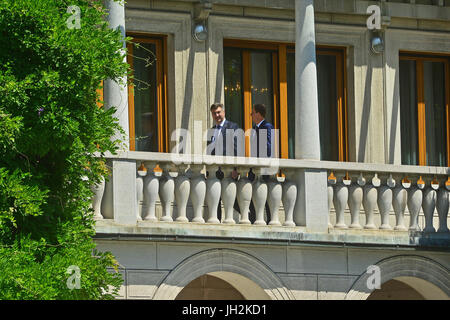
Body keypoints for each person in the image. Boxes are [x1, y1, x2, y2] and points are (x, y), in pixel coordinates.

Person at [207, 103, 240, 221]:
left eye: (219, 112)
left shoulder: (233, 127)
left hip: (229, 171)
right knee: (215, 200)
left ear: (224, 112)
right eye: (214, 113)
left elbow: (237, 149)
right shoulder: (211, 131)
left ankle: (251, 217)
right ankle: (217, 223)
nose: (217, 115)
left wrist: (236, 169)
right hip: (215, 172)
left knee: (234, 200)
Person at [248, 104, 274, 224]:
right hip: (254, 167)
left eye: (252, 113)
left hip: (263, 166)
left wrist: (262, 160)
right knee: (251, 192)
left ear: (258, 114)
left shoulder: (267, 126)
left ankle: (270, 219)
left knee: (265, 194)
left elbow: (268, 146)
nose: (251, 115)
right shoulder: (254, 128)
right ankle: (253, 217)